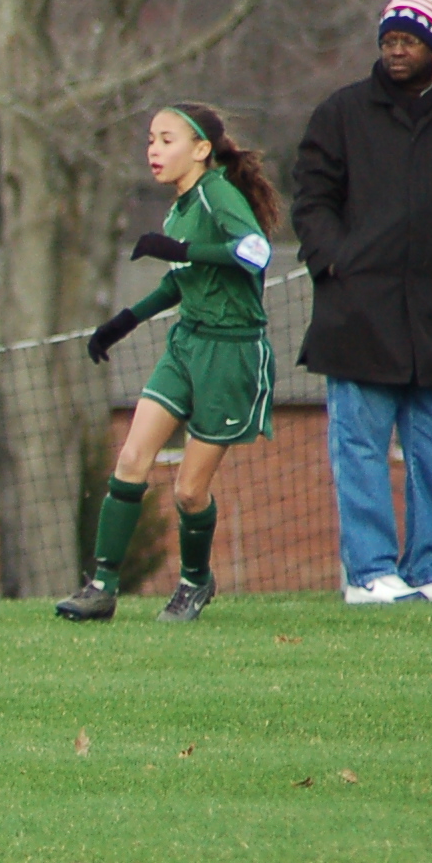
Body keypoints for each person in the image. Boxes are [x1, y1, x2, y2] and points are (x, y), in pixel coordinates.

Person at [292, 0, 432, 606]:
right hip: (357, 315)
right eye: (389, 40)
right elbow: (312, 199)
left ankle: (430, 566)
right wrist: (337, 260)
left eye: (408, 40)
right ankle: (369, 572)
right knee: (359, 448)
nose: (396, 51)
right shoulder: (340, 114)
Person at [58, 104, 285, 624]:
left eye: (166, 140)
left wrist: (180, 247)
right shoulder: (178, 208)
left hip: (231, 353)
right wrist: (121, 323)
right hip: (186, 345)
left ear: (201, 150)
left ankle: (195, 581)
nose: (154, 150)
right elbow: (179, 280)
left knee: (188, 491)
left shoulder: (217, 193)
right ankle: (101, 588)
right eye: (150, 140)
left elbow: (255, 252)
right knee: (130, 460)